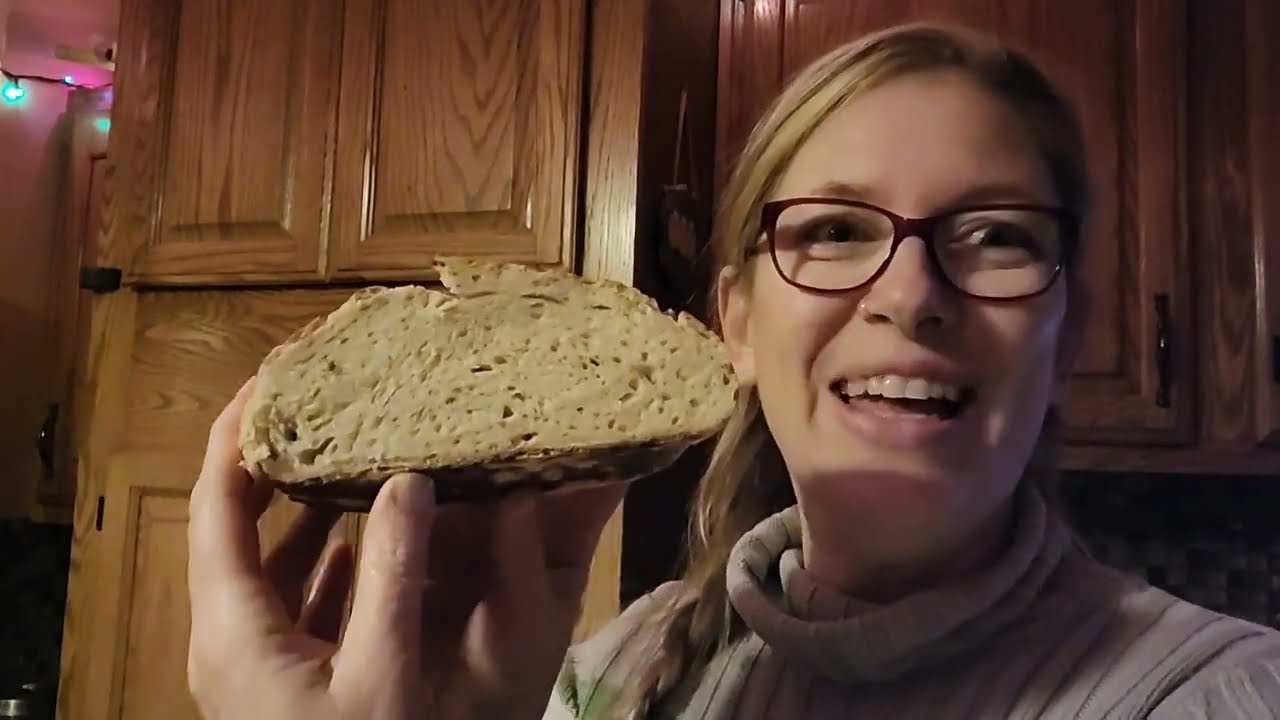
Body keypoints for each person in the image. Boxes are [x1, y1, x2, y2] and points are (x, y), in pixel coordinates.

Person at [185, 22, 1280, 720]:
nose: (908, 294)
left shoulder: (1215, 695)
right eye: (835, 231)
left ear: (1064, 334)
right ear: (735, 329)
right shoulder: (608, 671)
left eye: (994, 237)